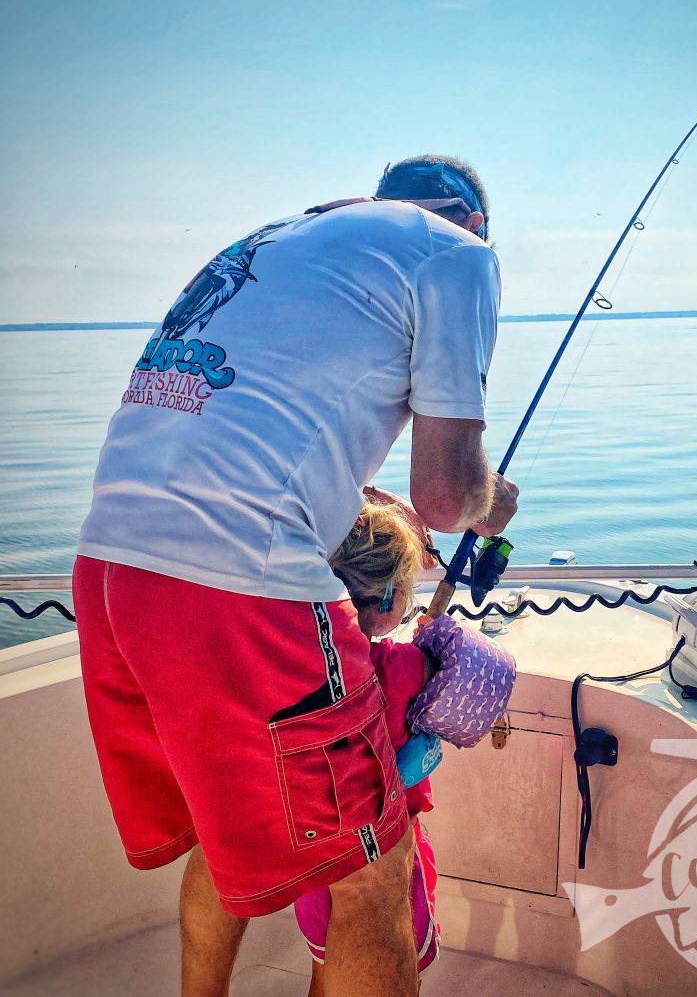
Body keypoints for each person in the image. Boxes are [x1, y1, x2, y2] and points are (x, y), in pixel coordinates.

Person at [71, 155, 519, 997]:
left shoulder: (281, 237)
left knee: (222, 825)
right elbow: (447, 497)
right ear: (476, 222)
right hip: (238, 582)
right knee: (368, 870)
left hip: (110, 563)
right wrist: (493, 504)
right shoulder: (456, 253)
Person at [296, 497, 441, 997]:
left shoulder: (300, 674)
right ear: (386, 603)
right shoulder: (410, 668)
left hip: (315, 861)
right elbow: (473, 687)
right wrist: (435, 640)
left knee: (326, 966)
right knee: (395, 964)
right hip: (389, 854)